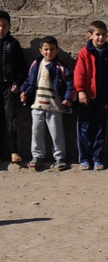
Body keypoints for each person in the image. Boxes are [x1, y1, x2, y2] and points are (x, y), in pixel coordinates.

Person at [20, 36, 74, 171]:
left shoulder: (61, 66)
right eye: (46, 49)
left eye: (52, 49)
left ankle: (60, 157)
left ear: (57, 50)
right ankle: (37, 156)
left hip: (54, 106)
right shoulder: (36, 64)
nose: (49, 52)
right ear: (40, 50)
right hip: (37, 105)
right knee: (36, 131)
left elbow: (70, 84)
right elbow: (29, 80)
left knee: (57, 133)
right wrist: (24, 91)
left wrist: (68, 98)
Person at [73, 20, 108, 171]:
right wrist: (80, 90)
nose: (101, 38)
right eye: (97, 34)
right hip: (87, 97)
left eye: (104, 34)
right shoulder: (84, 53)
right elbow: (79, 73)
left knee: (100, 128)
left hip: (103, 97)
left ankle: (98, 158)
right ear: (90, 35)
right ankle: (85, 158)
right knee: (84, 128)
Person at [0, 10, 27, 166]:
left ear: (9, 26)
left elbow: (21, 67)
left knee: (11, 119)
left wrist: (17, 82)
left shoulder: (13, 44)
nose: (1, 29)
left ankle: (13, 151)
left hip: (9, 87)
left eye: (4, 25)